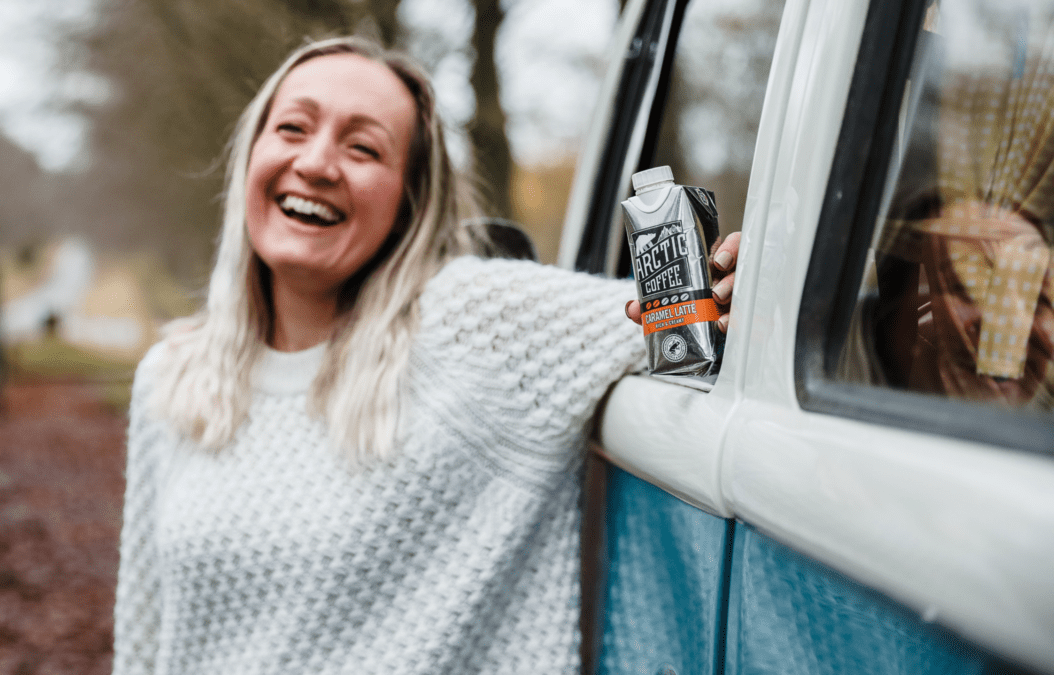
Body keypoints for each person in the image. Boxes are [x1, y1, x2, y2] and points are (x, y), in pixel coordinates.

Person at [113, 35, 737, 675]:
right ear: (251, 156)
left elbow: (696, 317)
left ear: (409, 200)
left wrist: (741, 285)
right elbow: (143, 635)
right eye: (293, 128)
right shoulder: (172, 376)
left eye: (363, 148)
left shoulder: (474, 322)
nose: (318, 163)